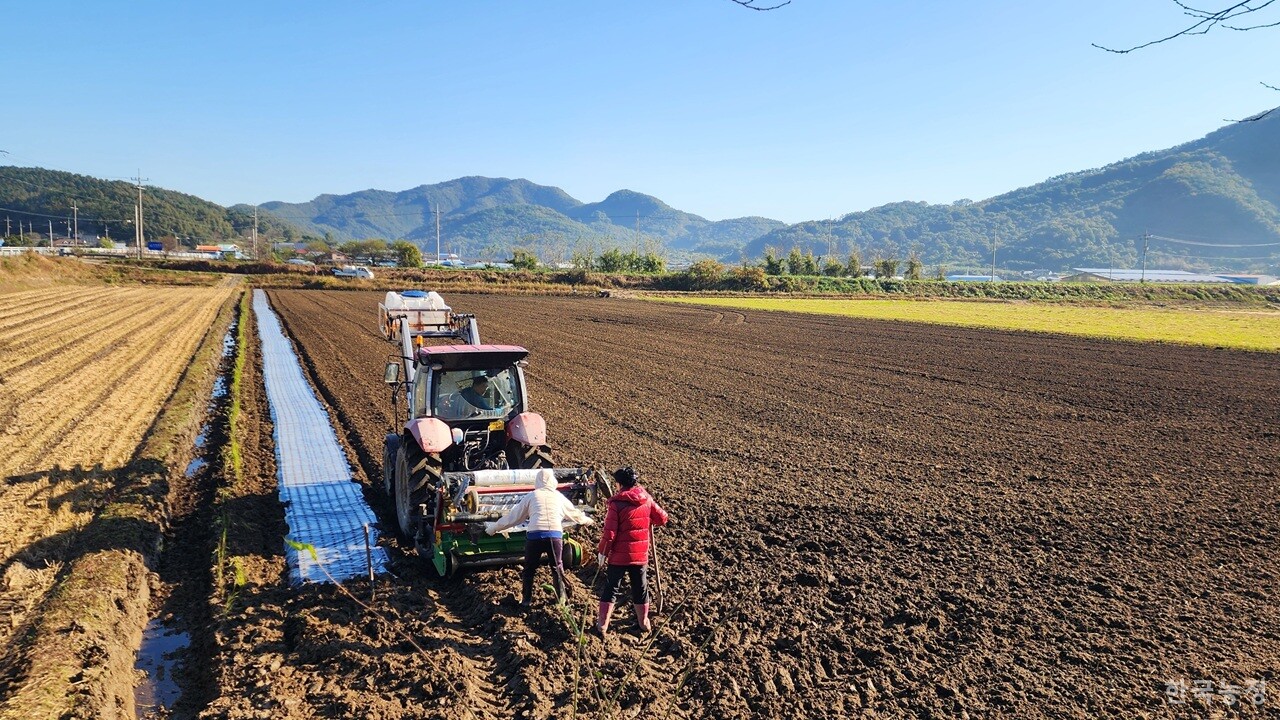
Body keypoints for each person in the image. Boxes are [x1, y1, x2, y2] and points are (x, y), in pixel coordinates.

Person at [485, 469, 593, 607]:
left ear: (537, 482)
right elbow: (574, 513)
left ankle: (526, 600)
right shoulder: (558, 496)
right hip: (554, 536)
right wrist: (587, 520)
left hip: (535, 536)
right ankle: (561, 599)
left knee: (529, 569)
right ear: (553, 481)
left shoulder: (531, 496)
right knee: (557, 567)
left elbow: (514, 517)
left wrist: (494, 528)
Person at [595, 466, 669, 636]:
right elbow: (662, 518)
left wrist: (602, 553)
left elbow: (609, 534)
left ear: (619, 484)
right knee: (640, 588)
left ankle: (602, 625)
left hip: (618, 557)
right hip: (640, 556)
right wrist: (649, 517)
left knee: (611, 588)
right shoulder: (646, 499)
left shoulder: (615, 504)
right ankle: (644, 623)